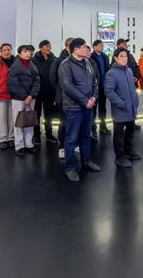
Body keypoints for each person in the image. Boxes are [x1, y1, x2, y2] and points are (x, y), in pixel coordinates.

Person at [58, 38, 101, 181]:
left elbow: (95, 81)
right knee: (71, 139)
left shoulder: (87, 62)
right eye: (84, 47)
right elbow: (68, 87)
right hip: (73, 108)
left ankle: (86, 161)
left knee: (86, 136)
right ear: (76, 50)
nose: (86, 49)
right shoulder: (65, 65)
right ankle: (70, 168)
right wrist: (85, 101)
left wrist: (94, 97)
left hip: (88, 107)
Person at [105, 48, 140, 167]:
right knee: (119, 135)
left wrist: (135, 100)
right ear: (115, 58)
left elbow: (132, 88)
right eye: (121, 56)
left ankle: (129, 151)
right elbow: (109, 92)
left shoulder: (129, 70)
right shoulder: (111, 73)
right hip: (121, 109)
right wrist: (122, 104)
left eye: (126, 56)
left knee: (130, 132)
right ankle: (119, 157)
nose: (124, 59)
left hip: (131, 108)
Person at [8, 45, 40, 156]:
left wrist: (31, 95)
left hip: (31, 98)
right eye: (25, 52)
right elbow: (14, 84)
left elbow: (37, 81)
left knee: (29, 121)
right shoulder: (15, 66)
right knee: (18, 122)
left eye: (29, 52)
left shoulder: (33, 65)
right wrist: (25, 96)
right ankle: (19, 145)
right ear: (19, 53)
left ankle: (28, 143)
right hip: (18, 98)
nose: (28, 54)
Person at [31, 40, 58, 145]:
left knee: (49, 114)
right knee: (36, 114)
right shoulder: (34, 60)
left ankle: (49, 134)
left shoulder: (54, 59)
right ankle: (36, 135)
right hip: (37, 92)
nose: (48, 48)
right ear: (41, 48)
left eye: (49, 46)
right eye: (46, 46)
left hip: (50, 91)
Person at [50, 37, 73, 159]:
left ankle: (74, 144)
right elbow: (53, 79)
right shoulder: (59, 60)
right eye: (72, 45)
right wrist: (60, 90)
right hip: (62, 98)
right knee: (63, 123)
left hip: (75, 99)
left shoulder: (80, 59)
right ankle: (62, 147)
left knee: (74, 123)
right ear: (67, 47)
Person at [91, 39, 111, 135]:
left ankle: (103, 127)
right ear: (94, 47)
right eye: (99, 45)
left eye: (102, 45)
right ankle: (93, 129)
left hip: (103, 86)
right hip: (95, 88)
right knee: (93, 109)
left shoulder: (105, 57)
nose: (102, 47)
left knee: (103, 108)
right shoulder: (91, 57)